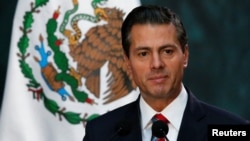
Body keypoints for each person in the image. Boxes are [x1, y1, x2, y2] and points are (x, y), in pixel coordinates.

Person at [82, 5, 249, 141]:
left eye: (167, 51)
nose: (156, 64)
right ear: (128, 63)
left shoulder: (232, 130)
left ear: (185, 55)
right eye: (143, 54)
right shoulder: (101, 133)